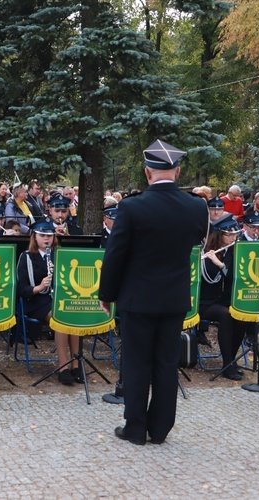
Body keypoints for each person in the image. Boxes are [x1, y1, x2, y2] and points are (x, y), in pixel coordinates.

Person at [98, 139, 208, 446]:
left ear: (148, 173)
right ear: (178, 171)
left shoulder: (132, 207)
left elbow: (115, 255)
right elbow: (195, 240)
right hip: (173, 298)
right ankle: (160, 429)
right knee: (165, 363)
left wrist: (106, 293)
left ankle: (135, 427)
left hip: (137, 298)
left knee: (137, 363)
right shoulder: (197, 207)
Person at [16, 218, 79, 384]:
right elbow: (21, 289)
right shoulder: (27, 257)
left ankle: (76, 365)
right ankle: (63, 366)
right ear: (34, 237)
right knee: (61, 318)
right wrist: (38, 286)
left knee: (73, 315)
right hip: (36, 301)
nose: (46, 239)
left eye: (49, 236)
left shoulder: (60, 255)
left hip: (57, 298)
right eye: (42, 235)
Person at [200, 214, 247, 380]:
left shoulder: (234, 251)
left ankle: (231, 360)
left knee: (242, 316)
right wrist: (213, 262)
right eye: (229, 235)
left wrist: (221, 264)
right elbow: (210, 279)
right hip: (206, 302)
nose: (233, 237)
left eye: (235, 234)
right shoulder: (207, 252)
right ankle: (227, 364)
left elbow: (237, 275)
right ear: (219, 235)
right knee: (226, 316)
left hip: (225, 300)